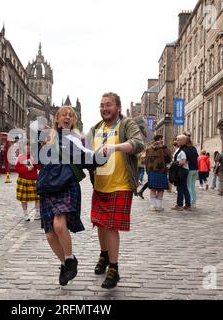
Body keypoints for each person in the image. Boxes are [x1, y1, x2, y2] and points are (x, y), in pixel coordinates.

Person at [34, 105, 109, 287]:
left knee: (59, 225)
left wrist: (101, 154)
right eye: (63, 115)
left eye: (70, 115)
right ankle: (67, 263)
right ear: (57, 119)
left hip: (66, 185)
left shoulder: (75, 139)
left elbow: (87, 156)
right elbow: (38, 161)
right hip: (48, 187)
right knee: (50, 235)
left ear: (73, 120)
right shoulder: (47, 137)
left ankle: (68, 259)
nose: (67, 117)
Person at [89, 92, 144, 289]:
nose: (104, 108)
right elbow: (84, 149)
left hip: (120, 184)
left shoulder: (126, 124)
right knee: (100, 224)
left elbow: (138, 144)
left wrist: (115, 147)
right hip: (100, 185)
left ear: (118, 107)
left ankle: (114, 267)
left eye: (108, 105)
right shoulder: (96, 128)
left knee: (111, 226)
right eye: (102, 105)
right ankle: (104, 255)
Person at [145, 135, 172, 211]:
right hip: (161, 170)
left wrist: (147, 171)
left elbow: (146, 161)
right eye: (162, 139)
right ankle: (159, 206)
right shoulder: (164, 149)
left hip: (151, 171)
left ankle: (153, 205)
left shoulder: (149, 149)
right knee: (160, 189)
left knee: (153, 189)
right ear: (160, 139)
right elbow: (169, 159)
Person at [15, 144, 40, 221]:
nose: (28, 150)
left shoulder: (34, 157)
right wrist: (27, 169)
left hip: (34, 179)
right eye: (27, 148)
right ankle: (26, 214)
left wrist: (35, 163)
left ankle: (38, 213)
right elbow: (17, 169)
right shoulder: (20, 157)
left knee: (38, 197)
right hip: (23, 180)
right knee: (24, 199)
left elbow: (39, 167)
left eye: (30, 148)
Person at [172, 135, 191, 211]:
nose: (177, 141)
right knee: (184, 187)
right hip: (184, 170)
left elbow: (183, 161)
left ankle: (179, 205)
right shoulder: (185, 149)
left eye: (178, 140)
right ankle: (187, 204)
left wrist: (174, 163)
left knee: (180, 188)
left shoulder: (183, 150)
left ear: (182, 141)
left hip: (182, 170)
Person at [186, 137, 199, 208]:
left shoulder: (186, 149)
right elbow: (196, 157)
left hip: (190, 169)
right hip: (196, 169)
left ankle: (189, 202)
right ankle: (194, 202)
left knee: (188, 186)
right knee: (193, 186)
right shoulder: (194, 148)